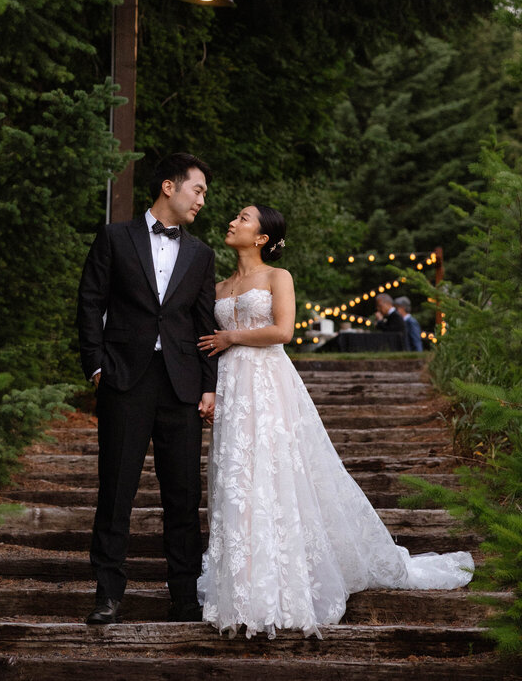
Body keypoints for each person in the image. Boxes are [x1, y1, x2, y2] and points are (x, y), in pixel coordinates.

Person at [197, 204, 473, 639]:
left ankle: (282, 584)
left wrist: (232, 336)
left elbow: (284, 331)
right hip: (232, 386)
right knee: (236, 479)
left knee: (272, 474)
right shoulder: (217, 285)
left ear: (262, 237)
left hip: (268, 383)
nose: (233, 221)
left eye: (244, 218)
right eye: (236, 216)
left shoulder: (276, 277)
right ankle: (242, 585)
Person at [77, 152, 218, 625]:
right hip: (123, 378)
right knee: (116, 489)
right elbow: (90, 299)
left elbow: (203, 324)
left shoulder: (201, 253)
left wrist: (208, 385)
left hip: (181, 385)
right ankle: (108, 593)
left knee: (182, 494)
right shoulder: (116, 237)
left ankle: (184, 596)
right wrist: (95, 365)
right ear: (168, 187)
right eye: (197, 190)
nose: (202, 201)